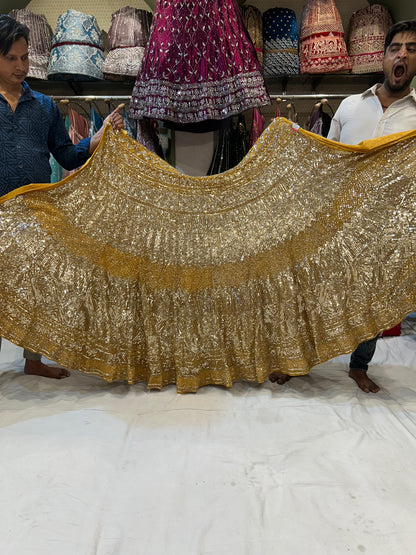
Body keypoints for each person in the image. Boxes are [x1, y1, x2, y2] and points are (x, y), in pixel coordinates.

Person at [270, 19, 416, 393]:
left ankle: (359, 366)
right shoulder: (351, 106)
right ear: (383, 57)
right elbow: (327, 160)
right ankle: (297, 362)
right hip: (336, 221)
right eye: (395, 48)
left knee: (373, 299)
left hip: (388, 227)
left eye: (412, 49)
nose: (402, 55)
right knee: (315, 292)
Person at [0, 14, 124, 379]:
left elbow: (66, 157)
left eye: (24, 57)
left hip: (34, 212)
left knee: (35, 287)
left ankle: (33, 360)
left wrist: (94, 141)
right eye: (11, 58)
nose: (21, 66)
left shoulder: (44, 107)